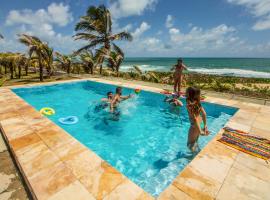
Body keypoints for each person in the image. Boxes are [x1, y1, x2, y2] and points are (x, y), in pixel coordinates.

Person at [186, 86, 209, 152]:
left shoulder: (189, 105)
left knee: (189, 144)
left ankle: (192, 156)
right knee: (195, 141)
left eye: (187, 92)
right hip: (201, 123)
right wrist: (205, 125)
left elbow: (195, 118)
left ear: (189, 94)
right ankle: (198, 151)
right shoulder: (198, 102)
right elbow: (204, 113)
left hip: (195, 126)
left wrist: (200, 131)